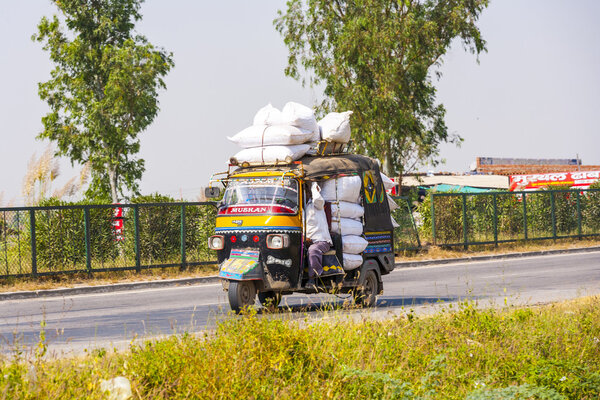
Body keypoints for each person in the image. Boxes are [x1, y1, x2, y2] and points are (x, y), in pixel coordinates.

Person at [304, 181, 332, 288]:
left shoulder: (317, 204)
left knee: (313, 250)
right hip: (308, 241)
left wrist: (313, 185)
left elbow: (319, 200)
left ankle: (313, 278)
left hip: (321, 241)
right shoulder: (303, 206)